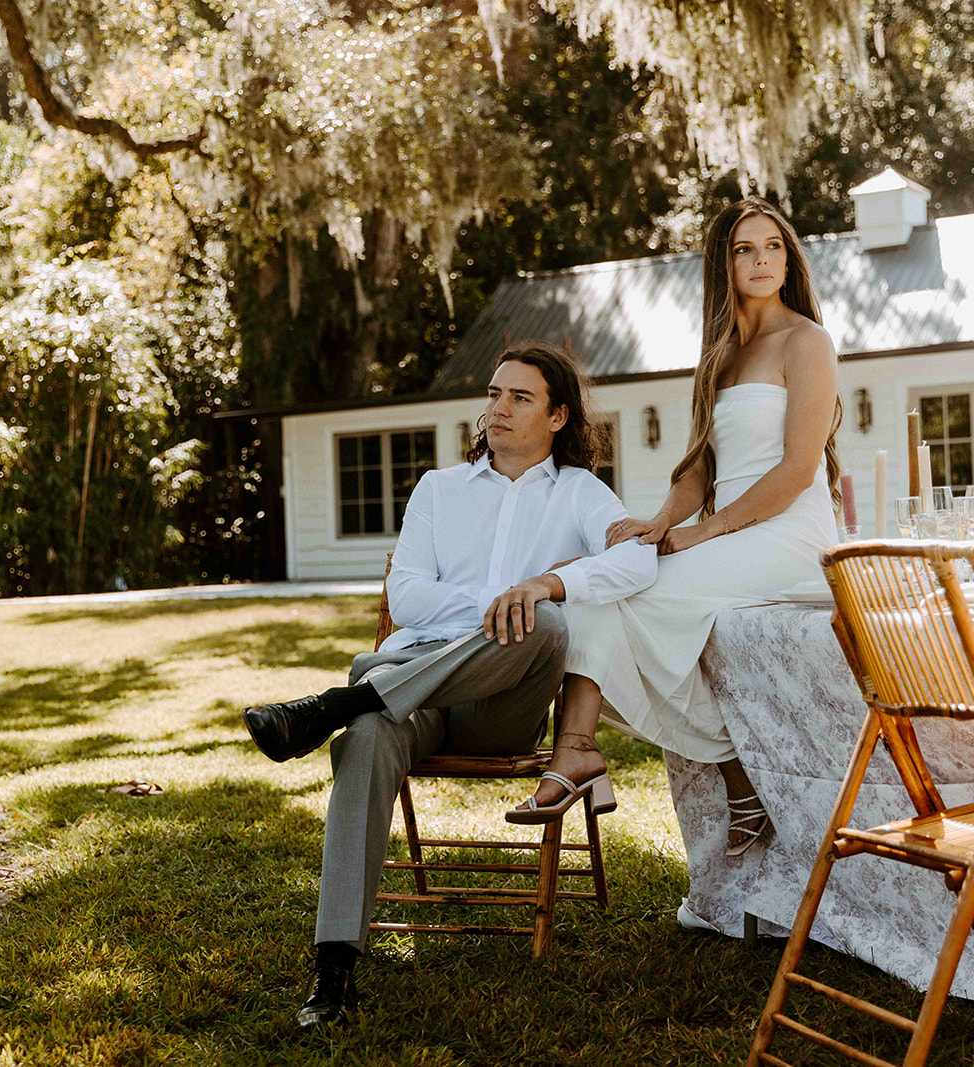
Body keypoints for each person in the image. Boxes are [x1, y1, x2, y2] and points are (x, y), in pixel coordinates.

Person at [241, 340, 657, 1031]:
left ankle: (334, 706)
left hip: (501, 705)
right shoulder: (438, 489)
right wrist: (497, 606)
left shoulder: (581, 492)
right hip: (417, 689)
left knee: (547, 624)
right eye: (494, 394)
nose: (498, 407)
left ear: (557, 417)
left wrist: (545, 584)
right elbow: (405, 597)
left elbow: (635, 560)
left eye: (519, 397)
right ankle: (334, 969)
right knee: (372, 733)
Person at [508, 197, 842, 858]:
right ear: (723, 261)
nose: (762, 261)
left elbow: (800, 469)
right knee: (606, 596)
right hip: (734, 532)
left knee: (624, 598)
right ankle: (578, 753)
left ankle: (715, 771)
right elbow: (700, 463)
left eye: (773, 246)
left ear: (790, 257)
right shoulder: (721, 351)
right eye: (745, 248)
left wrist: (704, 531)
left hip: (790, 536)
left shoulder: (807, 340)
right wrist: (659, 522)